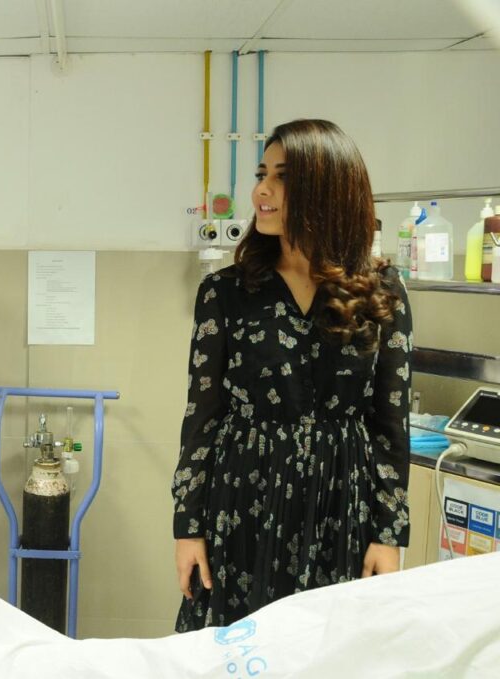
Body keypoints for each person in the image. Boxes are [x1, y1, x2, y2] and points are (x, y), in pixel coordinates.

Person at [171, 119, 412, 632]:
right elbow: (202, 417)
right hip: (243, 501)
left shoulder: (381, 292)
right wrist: (187, 526)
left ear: (327, 190)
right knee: (239, 648)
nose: (262, 190)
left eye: (282, 177)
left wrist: (389, 534)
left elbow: (390, 425)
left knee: (333, 648)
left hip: (341, 506)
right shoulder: (226, 292)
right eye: (262, 174)